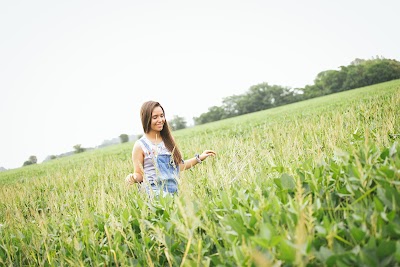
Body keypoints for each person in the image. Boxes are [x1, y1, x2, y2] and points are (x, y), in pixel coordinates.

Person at [125, 100, 216, 196]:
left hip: (173, 191)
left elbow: (178, 167)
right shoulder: (140, 145)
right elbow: (139, 175)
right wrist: (133, 177)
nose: (160, 120)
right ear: (146, 119)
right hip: (154, 193)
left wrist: (199, 158)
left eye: (162, 115)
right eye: (155, 117)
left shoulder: (168, 141)